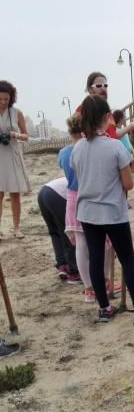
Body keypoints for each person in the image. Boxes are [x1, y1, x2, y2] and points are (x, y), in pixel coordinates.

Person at [71, 95, 134, 325]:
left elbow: (81, 176)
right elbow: (129, 184)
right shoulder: (114, 147)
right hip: (113, 211)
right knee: (127, 259)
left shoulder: (77, 148)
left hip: (88, 212)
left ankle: (104, 308)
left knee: (95, 257)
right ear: (107, 117)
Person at [60, 113, 104, 299]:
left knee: (80, 245)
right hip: (90, 197)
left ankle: (89, 289)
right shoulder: (90, 148)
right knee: (103, 244)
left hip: (72, 198)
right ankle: (103, 282)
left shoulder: (64, 152)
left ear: (70, 131)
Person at [0, 80, 30, 240]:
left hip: (12, 154)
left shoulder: (16, 112)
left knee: (15, 193)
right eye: (0, 99)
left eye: (6, 99)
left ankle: (16, 228)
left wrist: (16, 134)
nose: (3, 102)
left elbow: (26, 136)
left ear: (11, 97)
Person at [37, 176, 79, 281]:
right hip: (57, 195)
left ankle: (62, 265)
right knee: (68, 232)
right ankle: (73, 270)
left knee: (55, 232)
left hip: (43, 192)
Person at [78, 72, 134, 140]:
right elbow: (78, 138)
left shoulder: (108, 113)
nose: (103, 89)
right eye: (98, 86)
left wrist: (130, 127)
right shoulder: (82, 110)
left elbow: (113, 136)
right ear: (90, 89)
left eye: (105, 85)